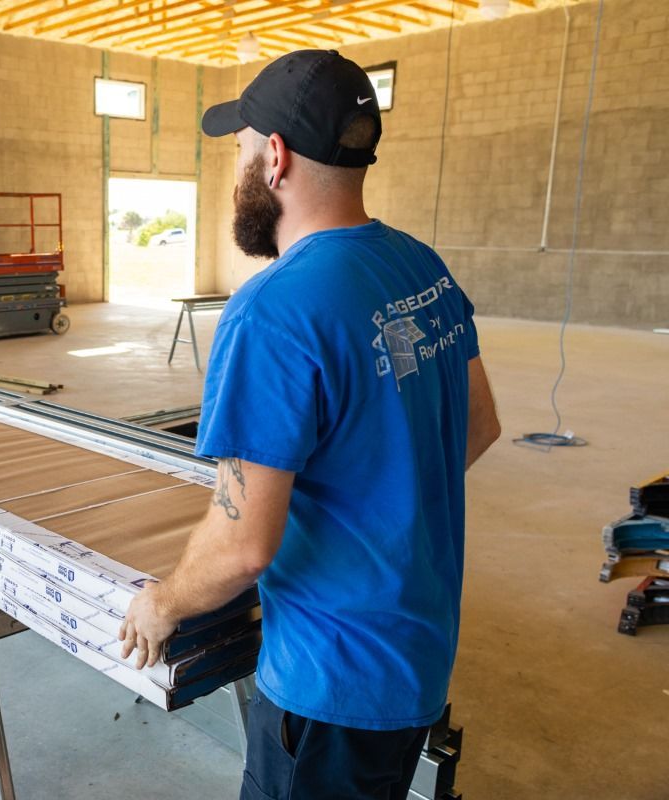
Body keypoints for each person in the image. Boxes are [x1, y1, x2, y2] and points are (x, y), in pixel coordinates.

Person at [119, 50, 501, 799]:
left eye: (239, 150)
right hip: (417, 652)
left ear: (276, 157)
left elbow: (241, 547)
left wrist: (157, 604)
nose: (236, 171)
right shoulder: (420, 267)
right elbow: (478, 425)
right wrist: (380, 498)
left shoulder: (274, 310)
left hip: (331, 683)